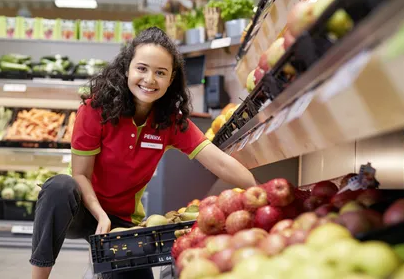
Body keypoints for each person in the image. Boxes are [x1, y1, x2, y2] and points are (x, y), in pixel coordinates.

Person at [29, 27, 258, 279]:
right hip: (82, 207)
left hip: (123, 219)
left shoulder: (169, 121)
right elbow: (81, 175)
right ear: (127, 68)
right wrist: (100, 215)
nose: (150, 79)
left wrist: (257, 190)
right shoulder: (95, 109)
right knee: (59, 187)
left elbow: (220, 163)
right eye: (142, 68)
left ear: (171, 79)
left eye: (160, 73)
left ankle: (99, 270)